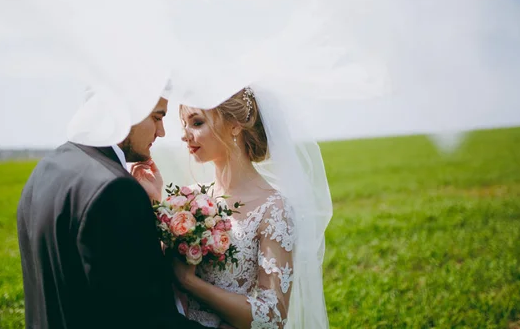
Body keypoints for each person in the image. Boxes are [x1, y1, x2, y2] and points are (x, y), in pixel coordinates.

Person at [17, 97, 209, 329]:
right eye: (157, 117)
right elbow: (144, 318)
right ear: (126, 111)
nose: (161, 131)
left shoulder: (47, 168)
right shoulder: (116, 189)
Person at [172, 87, 330, 328]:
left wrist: (192, 284)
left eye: (197, 122)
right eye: (184, 124)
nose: (185, 135)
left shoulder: (273, 209)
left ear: (235, 125)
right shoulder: (190, 198)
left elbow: (273, 315)